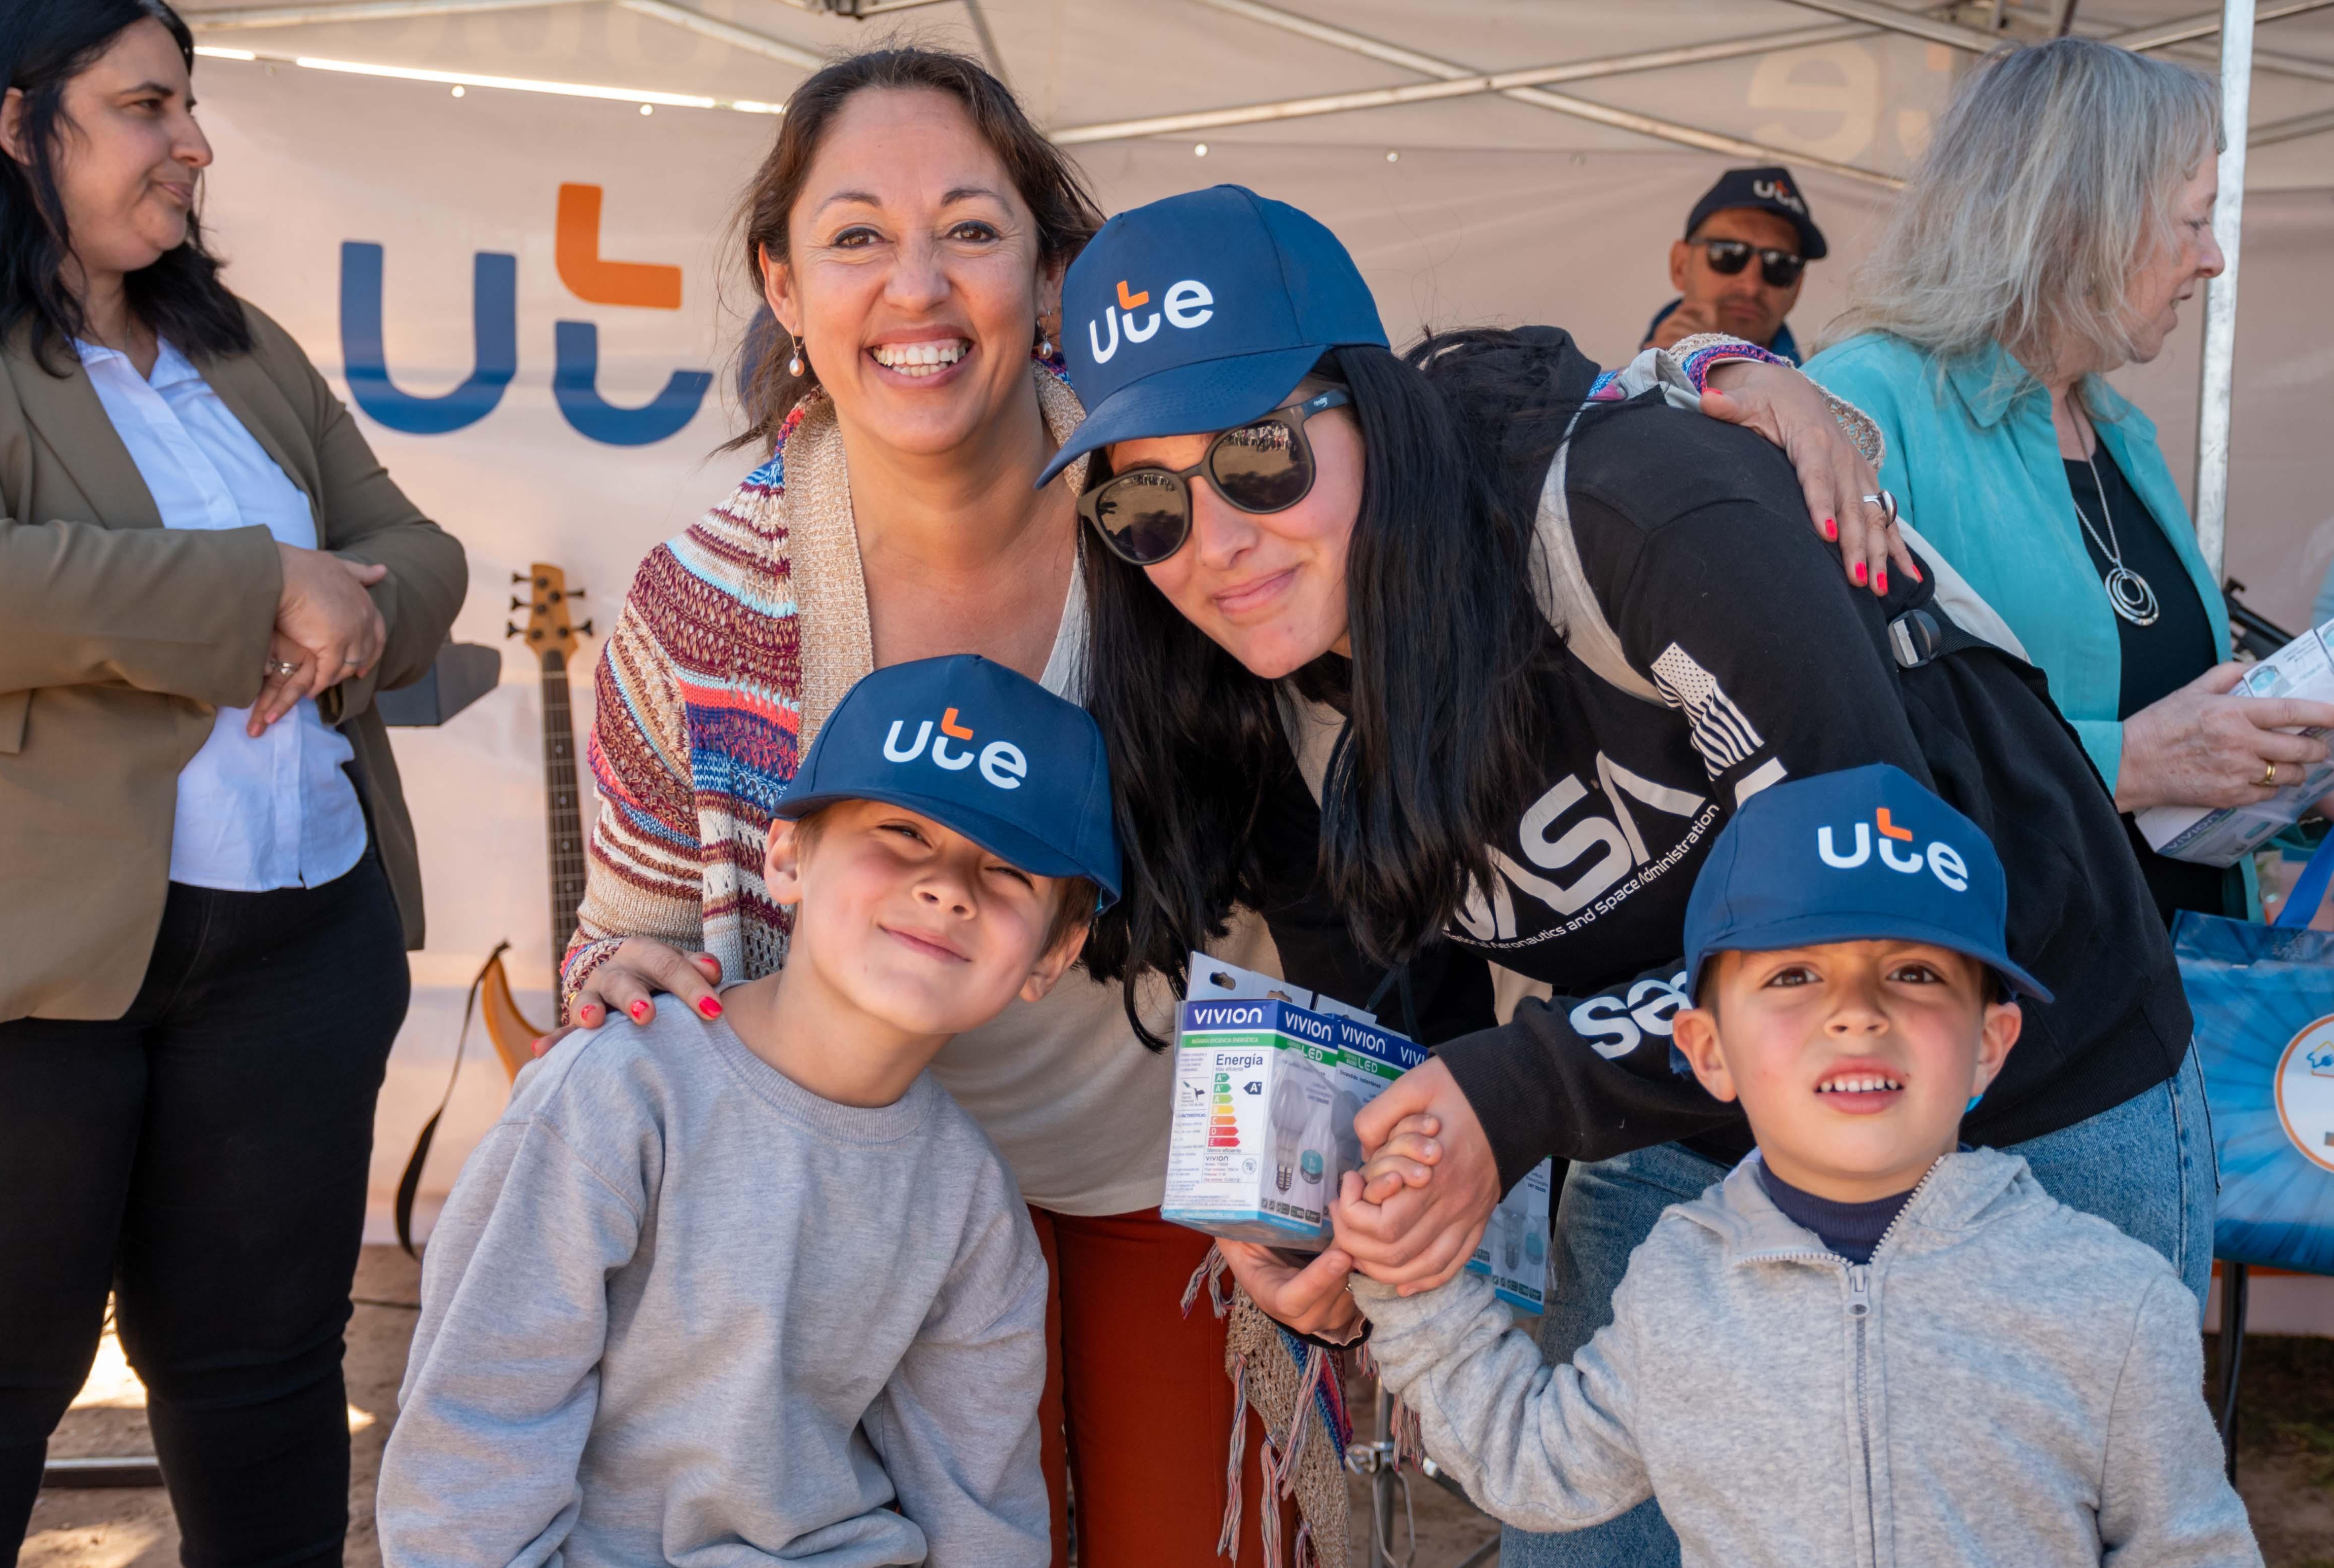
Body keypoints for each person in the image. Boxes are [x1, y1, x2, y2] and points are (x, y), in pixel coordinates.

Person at [542, 47, 1881, 1566]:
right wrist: (621, 986)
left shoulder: (1171, 493)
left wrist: (1712, 371)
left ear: (1049, 275)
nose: (915, 286)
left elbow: (1443, 410)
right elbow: (625, 939)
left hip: (1162, 1182)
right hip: (844, 1210)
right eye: (854, 236)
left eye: (971, 230)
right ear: (781, 285)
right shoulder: (700, 604)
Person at [1059, 186, 2210, 1568]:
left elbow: (1878, 925)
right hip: (1671, 1097)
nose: (1213, 540)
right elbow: (1384, 1013)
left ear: (1367, 404)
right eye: (1140, 501)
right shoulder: (1245, 689)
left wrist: (1523, 1088)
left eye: (1253, 456)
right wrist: (1346, 1207)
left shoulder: (1629, 513)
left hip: (2020, 1075)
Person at [0, 4, 466, 1564]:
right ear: (15, 125)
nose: (191, 142)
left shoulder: (241, 350)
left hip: (300, 937)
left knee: (262, 1377)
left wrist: (363, 603)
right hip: (35, 969)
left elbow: (420, 549)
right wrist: (261, 583)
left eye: (186, 105)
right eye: (143, 106)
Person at [1349, 765, 2260, 1568]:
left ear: (1989, 1044)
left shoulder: (2109, 1302)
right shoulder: (1676, 1285)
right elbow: (1535, 1461)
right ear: (1706, 1049)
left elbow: (2190, 1547)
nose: (1855, 1012)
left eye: (1911, 972)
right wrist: (1406, 1283)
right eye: (1792, 977)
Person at [379, 655, 1104, 1568]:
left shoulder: (971, 1203)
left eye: (1009, 873)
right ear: (786, 852)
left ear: (1056, 951)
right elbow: (473, 1437)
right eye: (900, 829)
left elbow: (980, 1507)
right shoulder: (616, 1097)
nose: (948, 886)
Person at [1807, 39, 2332, 925]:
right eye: (2192, 220)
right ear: (2082, 219)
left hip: (2169, 990)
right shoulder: (1864, 404)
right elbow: (1824, 731)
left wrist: (2281, 776)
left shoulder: (2115, 430)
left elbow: (2165, 729)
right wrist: (2125, 762)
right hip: (2003, 1009)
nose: (2210, 261)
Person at [1641, 165, 1823, 360]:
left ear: (1798, 286)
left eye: (1781, 265)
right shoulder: (1611, 385)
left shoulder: (1826, 388)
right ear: (1681, 266)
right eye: (1729, 254)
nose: (1751, 286)